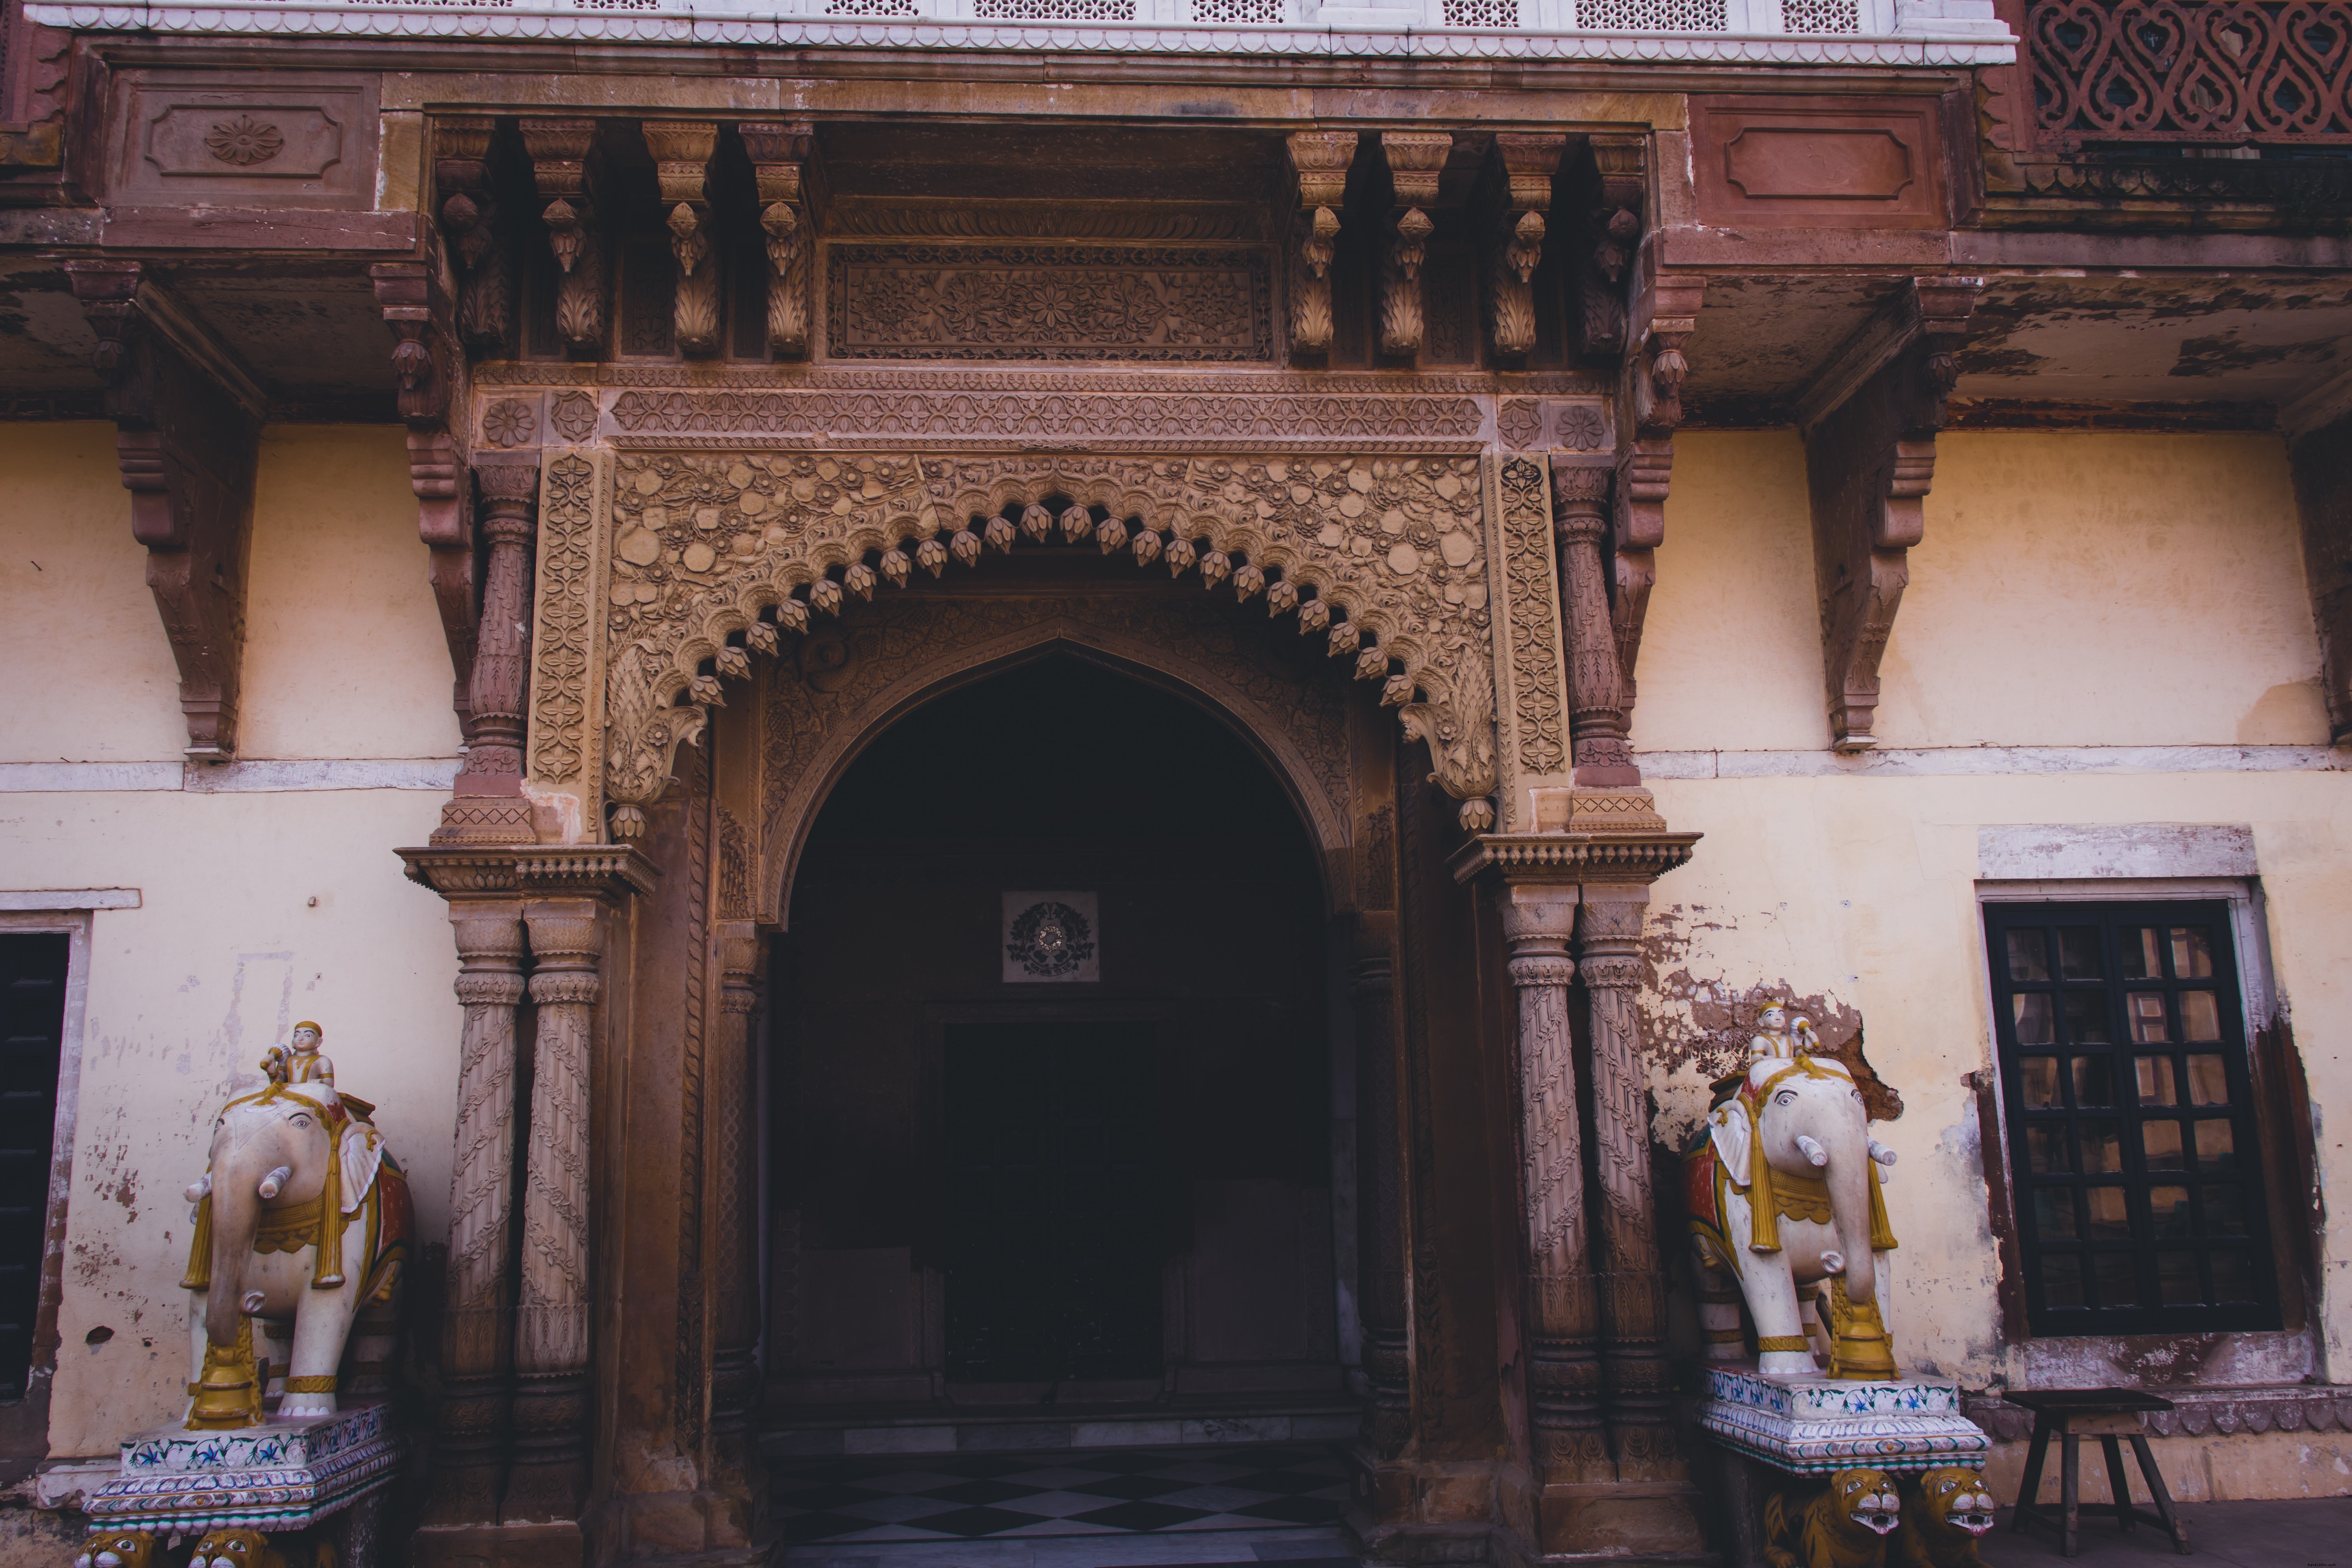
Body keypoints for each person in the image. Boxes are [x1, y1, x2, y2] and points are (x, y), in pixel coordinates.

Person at [261, 1020, 336, 1088]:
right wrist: (273, 1073)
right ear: (293, 1042)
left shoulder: (323, 1060)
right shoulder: (288, 1059)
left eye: (308, 1035)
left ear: (319, 1042)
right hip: (289, 1093)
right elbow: (279, 1083)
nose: (300, 1039)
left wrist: (321, 1082)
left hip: (310, 1094)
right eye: (296, 1036)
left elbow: (330, 1084)